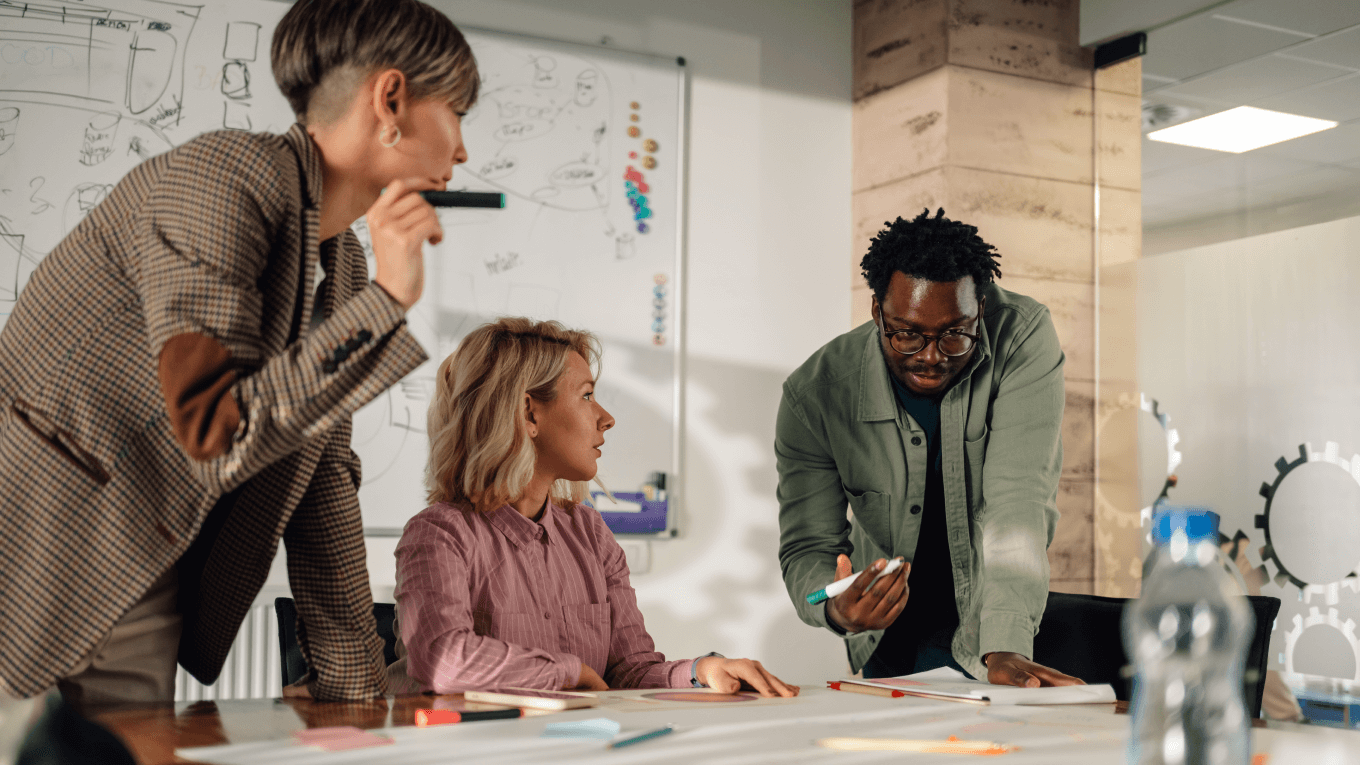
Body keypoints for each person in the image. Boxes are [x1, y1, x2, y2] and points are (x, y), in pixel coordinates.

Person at [0, 0, 477, 704]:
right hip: (36, 554)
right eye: (458, 113)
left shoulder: (341, 260)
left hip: (146, 578)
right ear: (392, 98)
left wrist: (358, 689)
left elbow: (322, 477)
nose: (462, 150)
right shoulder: (223, 181)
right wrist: (390, 300)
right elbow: (213, 434)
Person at [387, 318, 800, 696]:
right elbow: (443, 661)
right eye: (587, 396)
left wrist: (702, 669)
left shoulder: (589, 532)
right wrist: (564, 672)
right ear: (529, 413)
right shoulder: (440, 534)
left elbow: (630, 671)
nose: (606, 419)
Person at [776, 208, 1084, 688]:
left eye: (955, 334)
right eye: (907, 334)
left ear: (980, 309)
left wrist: (1005, 648)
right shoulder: (816, 394)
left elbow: (1018, 501)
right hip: (886, 636)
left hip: (989, 628)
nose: (931, 356)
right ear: (877, 311)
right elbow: (808, 547)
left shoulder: (1021, 335)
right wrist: (835, 605)